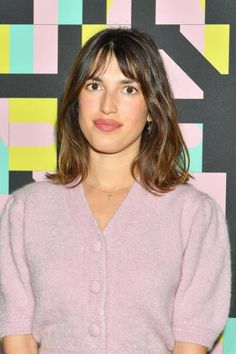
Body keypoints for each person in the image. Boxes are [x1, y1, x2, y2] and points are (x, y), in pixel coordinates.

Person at [0, 27, 231, 354]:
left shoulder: (194, 216)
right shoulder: (25, 211)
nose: (107, 106)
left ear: (152, 108)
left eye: (129, 89)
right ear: (76, 100)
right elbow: (17, 337)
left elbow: (191, 344)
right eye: (94, 86)